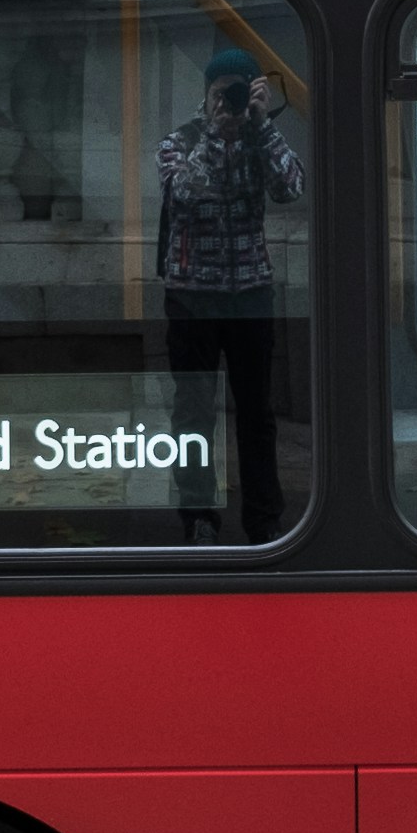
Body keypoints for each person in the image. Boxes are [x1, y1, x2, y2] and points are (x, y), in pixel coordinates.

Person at [152, 46, 303, 532]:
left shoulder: (261, 137)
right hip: (192, 296)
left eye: (239, 91)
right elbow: (183, 197)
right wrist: (218, 135)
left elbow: (291, 187)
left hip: (249, 293)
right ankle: (197, 514)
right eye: (223, 93)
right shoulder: (181, 141)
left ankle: (264, 520)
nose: (230, 101)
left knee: (257, 412)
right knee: (194, 412)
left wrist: (261, 126)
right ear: (207, 94)